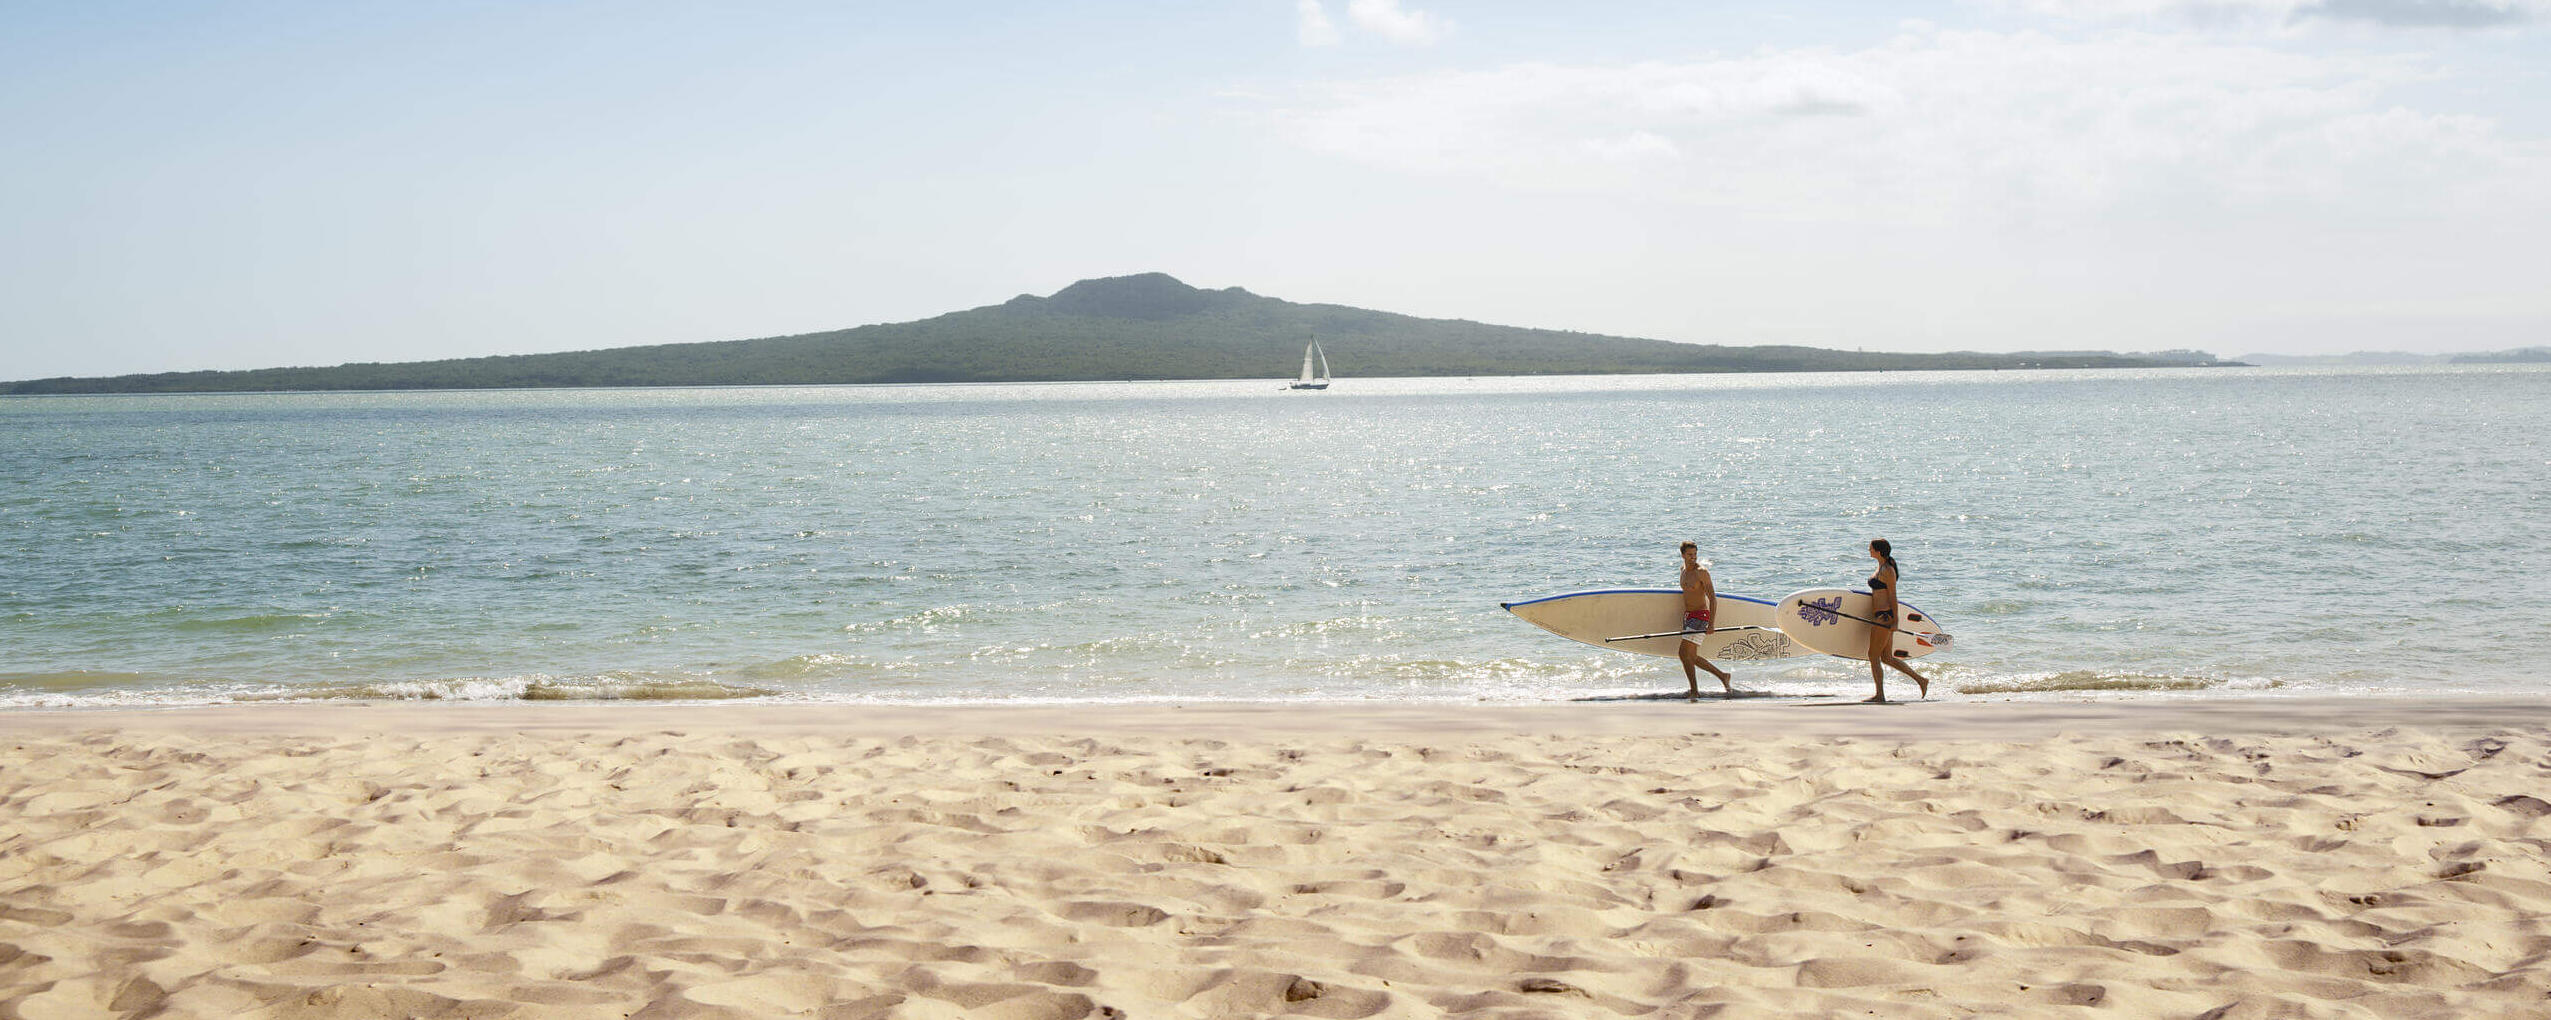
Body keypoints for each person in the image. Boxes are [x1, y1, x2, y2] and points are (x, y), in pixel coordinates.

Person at [1864, 538, 1930, 703]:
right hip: (1880, 616)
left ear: (1878, 551)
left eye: (1870, 548)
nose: (1868, 550)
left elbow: (1893, 596)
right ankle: (1921, 680)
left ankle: (1880, 695)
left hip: (1884, 617)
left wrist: (1895, 621)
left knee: (1873, 655)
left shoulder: (1888, 570)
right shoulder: (1881, 567)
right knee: (1886, 658)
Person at [1677, 542, 1734, 698]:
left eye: (1695, 554)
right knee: (1690, 657)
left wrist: (1711, 624)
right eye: (1689, 555)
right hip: (1688, 617)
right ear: (1682, 555)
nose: (1693, 558)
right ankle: (1723, 676)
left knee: (1683, 653)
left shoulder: (1701, 572)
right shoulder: (1682, 570)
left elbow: (1713, 599)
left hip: (1700, 617)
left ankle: (1695, 691)